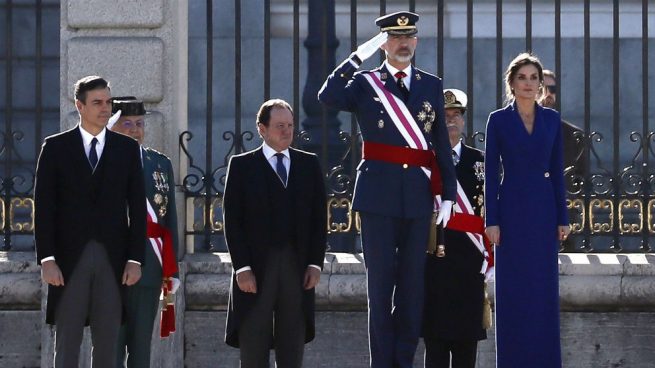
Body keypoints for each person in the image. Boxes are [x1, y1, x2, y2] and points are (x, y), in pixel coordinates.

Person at [318, 11, 457, 368]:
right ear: (384, 44)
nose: (403, 44)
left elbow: (440, 144)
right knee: (380, 290)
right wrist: (356, 58)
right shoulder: (366, 83)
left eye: (409, 37)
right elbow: (327, 95)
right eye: (395, 38)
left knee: (412, 289)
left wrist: (449, 194)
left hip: (416, 197)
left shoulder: (430, 84)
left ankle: (403, 361)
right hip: (377, 197)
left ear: (417, 41)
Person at [34, 76, 146, 367]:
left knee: (108, 347)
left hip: (113, 259)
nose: (105, 108)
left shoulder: (127, 149)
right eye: (97, 102)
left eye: (108, 102)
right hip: (69, 262)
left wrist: (135, 259)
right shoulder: (55, 148)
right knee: (67, 345)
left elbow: (136, 206)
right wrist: (47, 259)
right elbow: (44, 208)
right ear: (79, 106)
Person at [222, 99, 327, 367]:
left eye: (290, 125)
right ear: (262, 129)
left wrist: (315, 263)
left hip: (296, 267)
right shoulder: (243, 166)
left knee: (291, 345)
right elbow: (232, 221)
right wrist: (241, 268)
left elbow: (318, 219)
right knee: (254, 346)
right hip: (255, 270)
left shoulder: (308, 164)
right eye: (279, 125)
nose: (286, 131)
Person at [484, 53, 570, 367]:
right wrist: (491, 219)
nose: (530, 84)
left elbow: (557, 169)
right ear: (511, 82)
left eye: (534, 78)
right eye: (523, 77)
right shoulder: (498, 119)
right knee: (514, 290)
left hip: (544, 209)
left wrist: (563, 217)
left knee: (543, 290)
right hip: (511, 210)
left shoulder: (551, 119)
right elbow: (491, 173)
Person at [109, 98, 180, 368]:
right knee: (110, 347)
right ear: (113, 127)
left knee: (141, 349)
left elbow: (168, 219)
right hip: (111, 266)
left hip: (150, 265)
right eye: (127, 124)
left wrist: (170, 272)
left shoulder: (159, 164)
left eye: (139, 124)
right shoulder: (102, 162)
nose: (135, 130)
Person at [422, 89, 488, 368]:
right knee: (435, 346)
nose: (452, 120)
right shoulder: (426, 160)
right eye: (446, 116)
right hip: (435, 261)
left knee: (466, 348)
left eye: (456, 115)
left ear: (463, 120)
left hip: (470, 263)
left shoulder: (481, 161)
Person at [538, 69, 587, 178]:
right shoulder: (514, 130)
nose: (547, 94)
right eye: (541, 89)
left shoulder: (574, 135)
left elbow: (582, 182)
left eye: (552, 89)